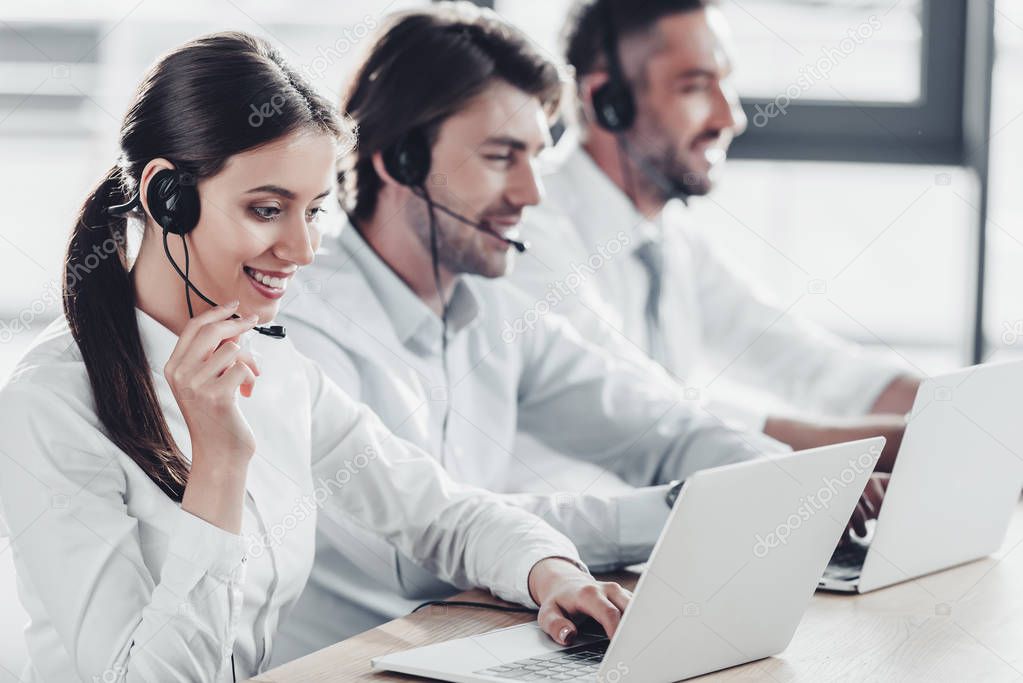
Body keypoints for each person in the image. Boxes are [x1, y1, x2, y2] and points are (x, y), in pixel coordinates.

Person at [0, 32, 631, 683]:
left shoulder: (274, 364)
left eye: (315, 212)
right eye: (267, 209)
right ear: (168, 197)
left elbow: (437, 510)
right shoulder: (50, 403)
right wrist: (218, 464)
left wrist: (550, 569)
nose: (301, 250)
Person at [275, 3, 789, 662]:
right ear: (399, 159)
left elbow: (654, 424)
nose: (531, 194)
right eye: (500, 156)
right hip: (351, 666)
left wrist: (769, 474)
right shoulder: (301, 321)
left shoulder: (493, 306)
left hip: (480, 645)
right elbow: (411, 551)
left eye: (536, 158)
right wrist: (685, 511)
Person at [509, 0, 920, 474]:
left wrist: (949, 407)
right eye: (696, 86)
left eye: (725, 81)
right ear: (608, 102)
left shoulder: (670, 238)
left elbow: (803, 358)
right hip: (574, 536)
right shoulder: (528, 222)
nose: (731, 117)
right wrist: (893, 444)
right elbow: (641, 406)